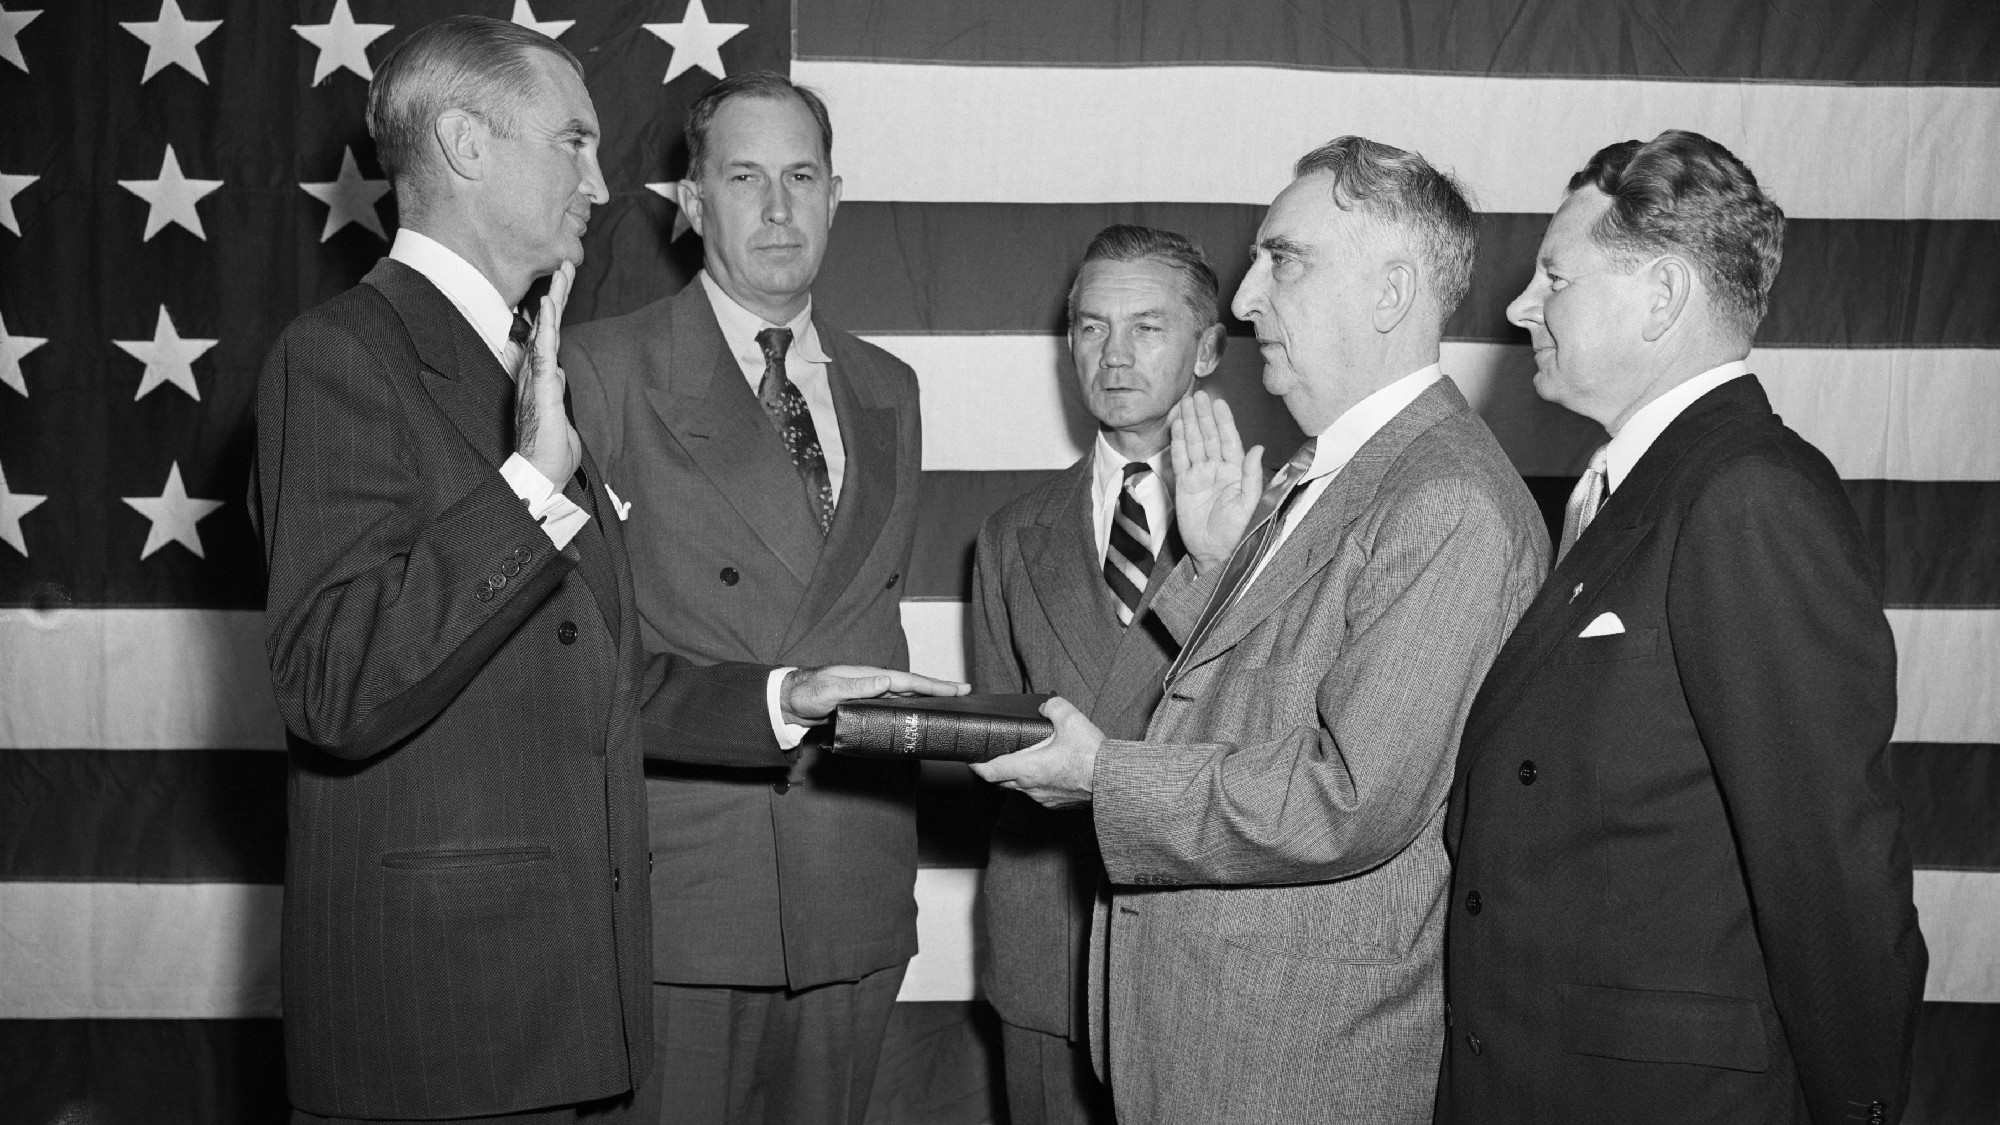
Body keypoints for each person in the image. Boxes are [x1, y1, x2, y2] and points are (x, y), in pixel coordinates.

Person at [254, 22, 953, 1123]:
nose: (599, 176)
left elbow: (593, 670)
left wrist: (783, 696)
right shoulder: (346, 350)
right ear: (466, 145)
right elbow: (334, 685)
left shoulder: (517, 355)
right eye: (573, 140)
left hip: (563, 982)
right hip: (452, 1005)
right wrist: (532, 486)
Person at [974, 137, 1548, 1123]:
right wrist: (1210, 566)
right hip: (1214, 1043)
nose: (1242, 301)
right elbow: (1245, 701)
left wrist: (1098, 773)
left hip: (1292, 1062)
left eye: (1282, 260)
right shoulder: (1317, 477)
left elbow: (1348, 796)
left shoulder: (1444, 498)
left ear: (1387, 293)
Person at [1437, 129, 1927, 1125]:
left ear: (1659, 297)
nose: (1518, 306)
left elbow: (1827, 867)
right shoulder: (1629, 487)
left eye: (1552, 277)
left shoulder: (1746, 496)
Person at [560, 73, 933, 1125]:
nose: (778, 209)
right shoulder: (598, 371)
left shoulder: (886, 387)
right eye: (744, 178)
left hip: (851, 879)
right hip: (688, 890)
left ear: (835, 197)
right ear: (689, 204)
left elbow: (863, 615)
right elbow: (574, 654)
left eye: (801, 177)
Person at [969, 224, 1226, 1125]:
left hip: (1202, 942)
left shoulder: (1274, 523)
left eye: (1147, 327)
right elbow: (1003, 745)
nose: (1113, 355)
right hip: (1050, 941)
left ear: (1209, 348)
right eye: (1090, 327)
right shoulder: (1011, 534)